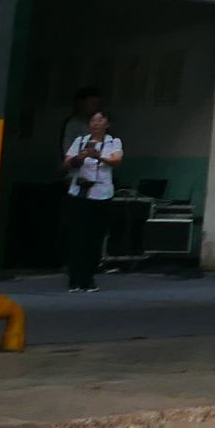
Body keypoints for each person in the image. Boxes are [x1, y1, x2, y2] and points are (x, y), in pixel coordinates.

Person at [60, 108, 124, 291]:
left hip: (101, 194)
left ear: (107, 124)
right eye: (93, 121)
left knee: (95, 238)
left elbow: (116, 161)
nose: (96, 124)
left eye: (100, 120)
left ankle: (88, 278)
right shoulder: (80, 141)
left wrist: (99, 156)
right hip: (79, 193)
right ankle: (74, 279)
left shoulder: (114, 142)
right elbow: (67, 162)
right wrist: (80, 157)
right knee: (77, 237)